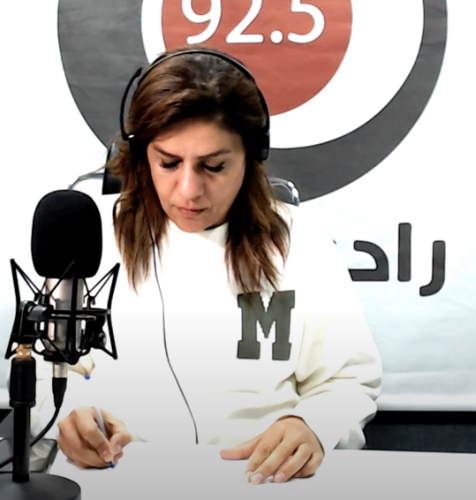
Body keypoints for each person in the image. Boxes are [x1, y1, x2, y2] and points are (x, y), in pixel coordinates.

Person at [29, 46, 382, 484]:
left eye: (214, 166)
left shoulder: (300, 241)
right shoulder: (89, 236)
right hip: (118, 475)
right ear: (139, 155)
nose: (189, 190)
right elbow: (46, 372)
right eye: (168, 163)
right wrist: (69, 419)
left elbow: (347, 379)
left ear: (251, 157)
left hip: (262, 479)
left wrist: (313, 425)